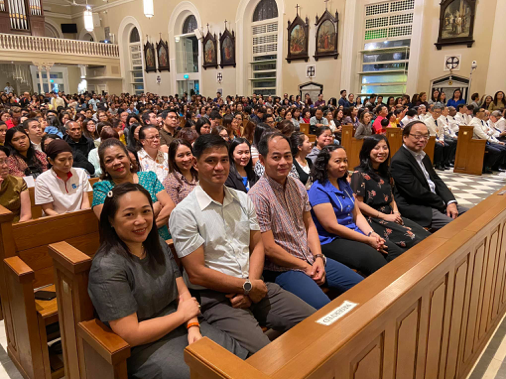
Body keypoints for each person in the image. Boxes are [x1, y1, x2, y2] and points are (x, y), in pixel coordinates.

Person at [169, 134, 315, 354]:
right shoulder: (184, 213)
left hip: (255, 283)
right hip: (218, 297)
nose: (219, 167)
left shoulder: (242, 198)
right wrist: (246, 287)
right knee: (265, 357)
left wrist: (252, 284)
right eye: (211, 161)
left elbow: (257, 246)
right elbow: (197, 273)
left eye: (224, 160)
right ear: (196, 164)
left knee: (315, 323)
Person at [88, 183, 248, 378]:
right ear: (111, 220)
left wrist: (192, 326)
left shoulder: (157, 244)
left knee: (237, 359)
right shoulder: (108, 265)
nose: (140, 221)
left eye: (146, 211)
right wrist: (183, 316)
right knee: (206, 374)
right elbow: (130, 333)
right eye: (129, 215)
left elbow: (182, 293)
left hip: (183, 324)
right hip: (147, 346)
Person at [248, 133, 362, 309]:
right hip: (283, 268)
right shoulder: (257, 196)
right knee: (324, 308)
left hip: (310, 257)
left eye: (287, 156)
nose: (283, 162)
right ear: (262, 160)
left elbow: (309, 226)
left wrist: (317, 258)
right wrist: (305, 266)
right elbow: (269, 248)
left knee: (362, 287)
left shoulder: (297, 185)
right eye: (276, 157)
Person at [308, 144, 406, 276]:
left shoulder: (343, 183)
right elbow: (332, 227)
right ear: (325, 164)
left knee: (395, 253)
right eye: (338, 161)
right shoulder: (318, 189)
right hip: (332, 240)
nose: (343, 165)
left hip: (353, 231)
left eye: (345, 160)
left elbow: (357, 215)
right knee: (375, 260)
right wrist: (366, 240)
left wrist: (371, 234)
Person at [351, 135, 430, 249]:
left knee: (426, 235)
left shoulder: (386, 172)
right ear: (367, 151)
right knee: (413, 239)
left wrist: (396, 212)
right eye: (377, 148)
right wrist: (385, 216)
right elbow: (359, 204)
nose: (381, 151)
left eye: (385, 147)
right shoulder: (358, 174)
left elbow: (390, 196)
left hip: (390, 215)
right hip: (373, 219)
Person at [390, 121, 468, 230]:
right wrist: (443, 204)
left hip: (433, 201)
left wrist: (450, 201)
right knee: (457, 227)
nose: (422, 139)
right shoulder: (399, 161)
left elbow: (436, 180)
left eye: (425, 136)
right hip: (418, 206)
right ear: (405, 137)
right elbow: (416, 192)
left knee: (473, 215)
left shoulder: (422, 155)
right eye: (417, 136)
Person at [92, 138, 174, 240]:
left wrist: (143, 229)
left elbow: (170, 207)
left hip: (161, 240)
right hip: (126, 247)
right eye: (109, 160)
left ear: (129, 158)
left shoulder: (149, 177)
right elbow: (110, 222)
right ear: (104, 167)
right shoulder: (102, 188)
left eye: (120, 157)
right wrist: (154, 209)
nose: (116, 162)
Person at [34, 140, 92, 215]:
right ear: (50, 161)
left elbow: (85, 202)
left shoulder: (80, 173)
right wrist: (66, 222)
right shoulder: (42, 180)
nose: (67, 164)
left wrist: (81, 218)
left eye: (70, 158)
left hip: (79, 217)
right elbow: (48, 210)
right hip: (56, 220)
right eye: (62, 160)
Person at [0, 146, 31, 222]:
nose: (5, 166)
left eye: (6, 161)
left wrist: (16, 231)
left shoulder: (18, 182)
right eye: (0, 162)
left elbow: (26, 215)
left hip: (16, 226)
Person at [162, 139, 198, 205]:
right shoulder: (170, 182)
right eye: (180, 156)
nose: (186, 159)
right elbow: (174, 211)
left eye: (188, 154)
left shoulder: (200, 174)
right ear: (173, 159)